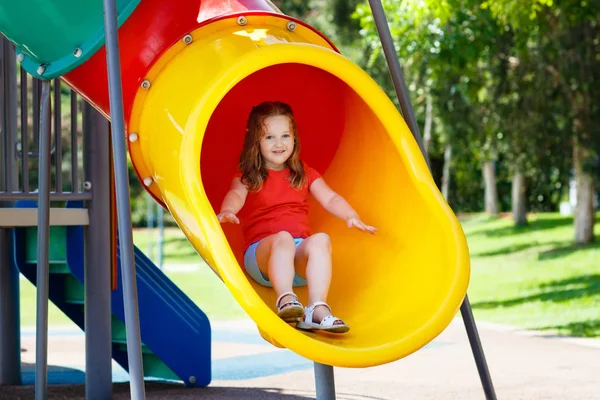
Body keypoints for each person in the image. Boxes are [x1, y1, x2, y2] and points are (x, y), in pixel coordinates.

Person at [217, 101, 376, 334]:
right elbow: (235, 194)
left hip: (298, 259)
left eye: (285, 136)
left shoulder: (304, 173)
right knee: (282, 239)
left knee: (321, 239)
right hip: (261, 258)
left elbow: (330, 198)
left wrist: (351, 216)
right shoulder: (249, 176)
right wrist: (228, 210)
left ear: (294, 139)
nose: (279, 143)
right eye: (269, 137)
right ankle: (285, 299)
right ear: (256, 142)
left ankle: (317, 308)